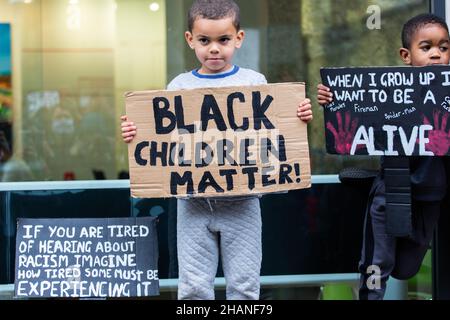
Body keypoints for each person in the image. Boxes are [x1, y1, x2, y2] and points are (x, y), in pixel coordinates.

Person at [121, 0, 313, 300]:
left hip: (244, 205)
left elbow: (277, 132)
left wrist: (296, 116)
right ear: (190, 40)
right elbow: (161, 137)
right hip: (192, 206)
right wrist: (136, 133)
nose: (214, 48)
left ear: (238, 38)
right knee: (194, 287)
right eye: (204, 40)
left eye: (223, 39)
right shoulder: (178, 87)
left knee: (245, 286)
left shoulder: (254, 83)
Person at [317, 13, 450, 300]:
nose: (437, 54)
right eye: (426, 47)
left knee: (406, 267)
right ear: (406, 55)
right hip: (391, 190)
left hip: (431, 194)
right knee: (378, 263)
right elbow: (355, 105)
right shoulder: (387, 87)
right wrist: (335, 98)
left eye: (444, 47)